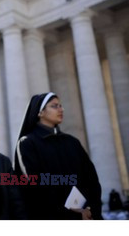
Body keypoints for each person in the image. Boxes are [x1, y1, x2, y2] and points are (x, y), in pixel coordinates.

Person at [14, 92, 102, 220]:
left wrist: (90, 209)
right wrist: (73, 214)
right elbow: (34, 186)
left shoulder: (72, 142)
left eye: (61, 106)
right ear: (40, 112)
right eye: (54, 106)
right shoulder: (28, 143)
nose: (61, 109)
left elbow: (91, 179)